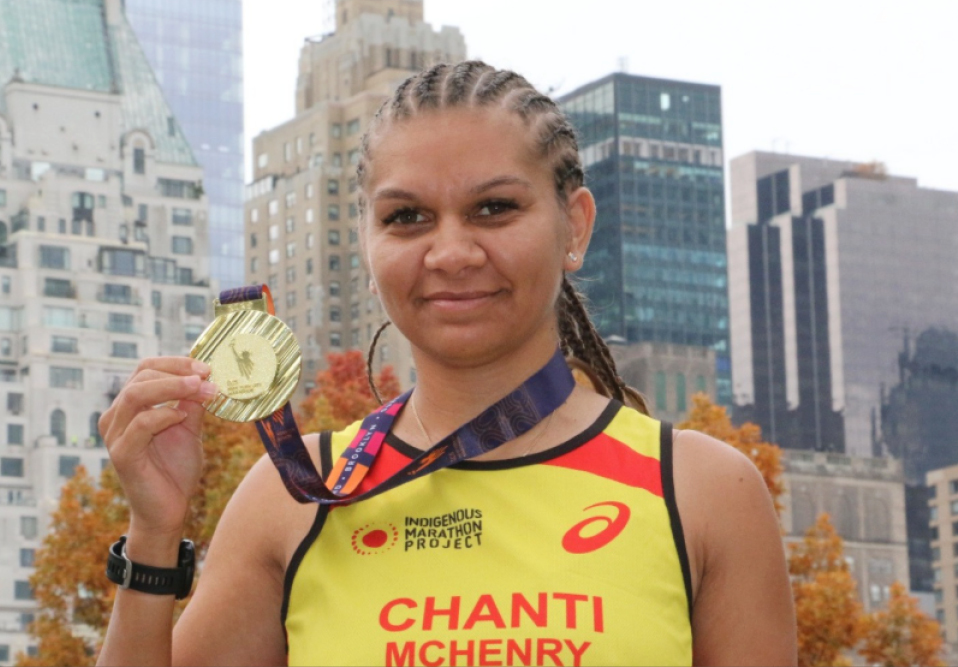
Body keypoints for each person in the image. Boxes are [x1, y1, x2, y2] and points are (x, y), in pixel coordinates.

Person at [97, 61, 796, 666]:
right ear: (367, 246)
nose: (452, 252)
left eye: (494, 208)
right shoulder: (295, 495)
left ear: (574, 225)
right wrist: (154, 532)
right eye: (407, 217)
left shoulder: (703, 492)